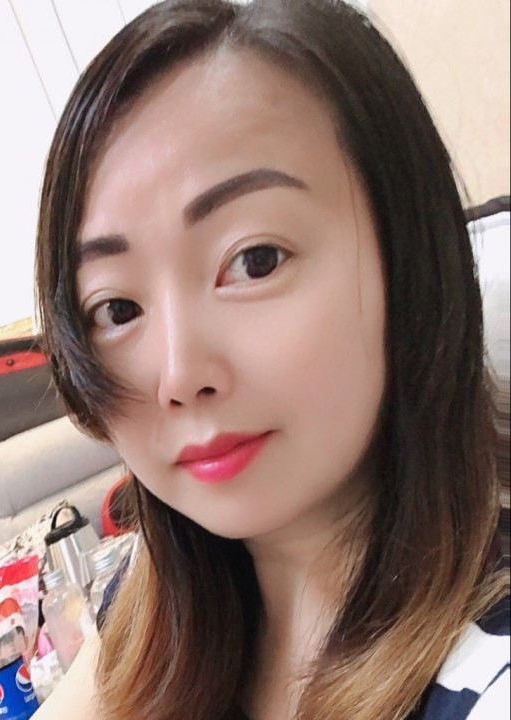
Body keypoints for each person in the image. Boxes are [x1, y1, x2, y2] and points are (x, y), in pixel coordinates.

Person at [32, 1, 510, 718]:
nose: (179, 374)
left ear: (408, 252)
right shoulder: (149, 613)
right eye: (118, 309)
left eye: (255, 260)